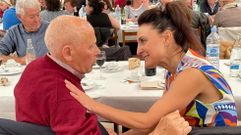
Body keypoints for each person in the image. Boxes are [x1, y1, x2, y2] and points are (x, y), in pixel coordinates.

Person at [65, 1, 237, 134]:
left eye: (143, 41)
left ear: (166, 38)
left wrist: (92, 104)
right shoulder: (175, 71)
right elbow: (156, 121)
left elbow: (146, 121)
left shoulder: (192, 73)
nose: (138, 51)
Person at [13, 15, 190, 135]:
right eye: (91, 46)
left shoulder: (35, 67)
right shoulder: (63, 92)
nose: (98, 51)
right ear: (68, 53)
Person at [0, 0, 48, 64]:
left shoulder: (50, 28)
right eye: (32, 17)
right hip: (26, 72)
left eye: (38, 15)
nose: (37, 20)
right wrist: (20, 60)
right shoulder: (14, 32)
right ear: (19, 16)